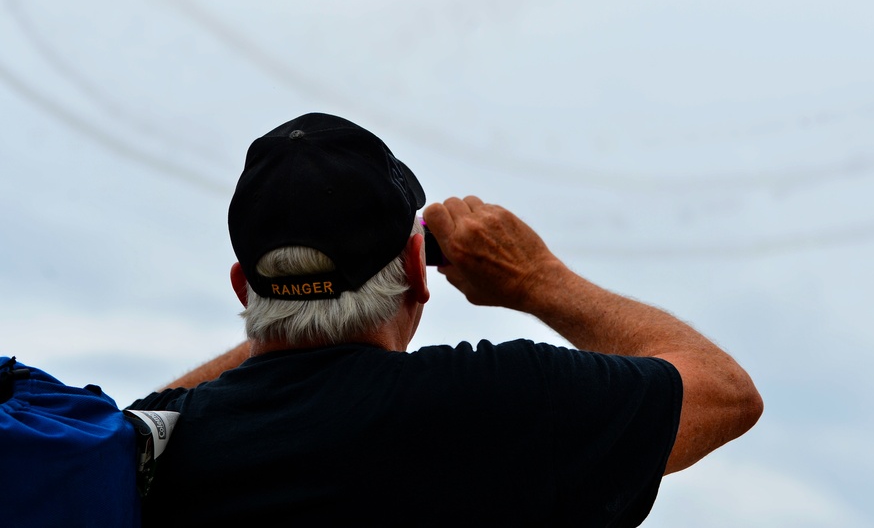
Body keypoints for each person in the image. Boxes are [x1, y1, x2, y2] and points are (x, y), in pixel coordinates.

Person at [129, 112, 762, 527]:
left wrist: (294, 314)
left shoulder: (152, 444)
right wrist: (539, 280)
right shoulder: (501, 404)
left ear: (242, 288)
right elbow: (725, 393)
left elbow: (255, 376)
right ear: (414, 267)